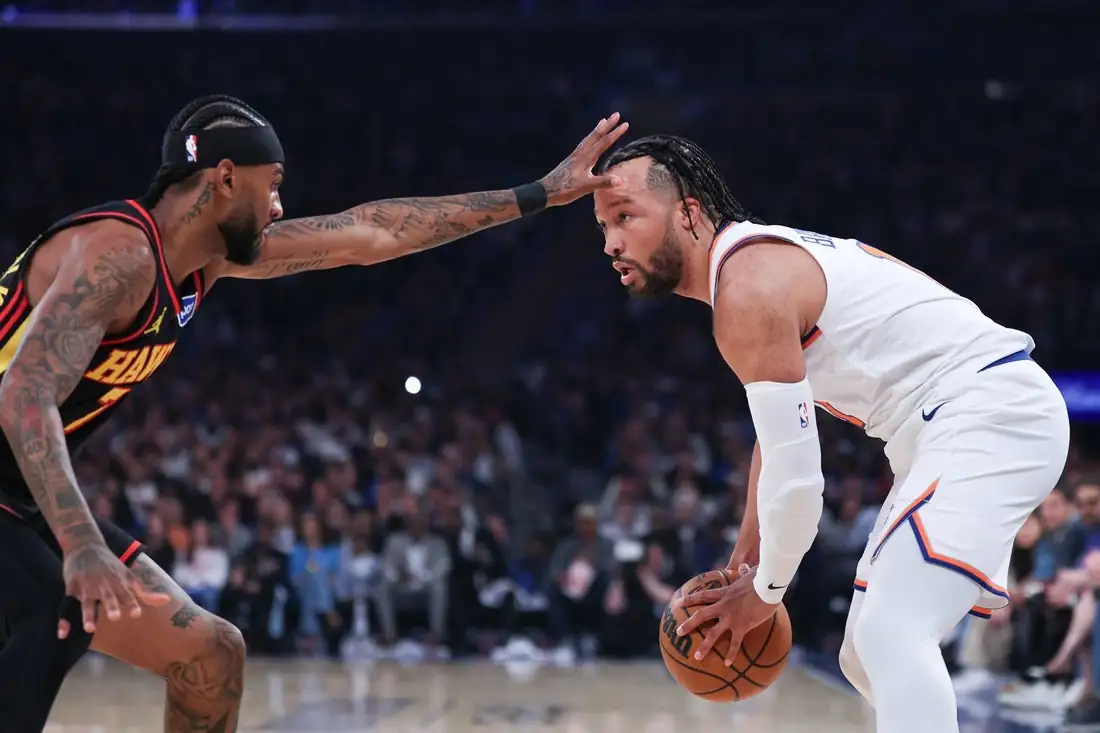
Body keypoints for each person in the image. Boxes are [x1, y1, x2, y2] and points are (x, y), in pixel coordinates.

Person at [0, 94, 628, 732]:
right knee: (50, 611)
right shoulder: (118, 254)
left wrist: (539, 194)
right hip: (14, 485)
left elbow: (373, 233)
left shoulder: (199, 265)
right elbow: (23, 393)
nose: (278, 206)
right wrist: (80, 542)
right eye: (272, 184)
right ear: (225, 178)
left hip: (19, 493)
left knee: (210, 655)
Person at [589, 134, 1069, 733]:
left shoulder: (748, 287)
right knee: (866, 655)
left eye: (625, 217)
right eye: (603, 226)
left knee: (894, 631)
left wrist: (766, 592)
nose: (610, 243)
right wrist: (746, 558)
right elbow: (776, 442)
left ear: (688, 212)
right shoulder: (749, 269)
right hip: (953, 423)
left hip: (988, 411)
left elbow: (797, 482)